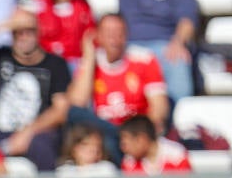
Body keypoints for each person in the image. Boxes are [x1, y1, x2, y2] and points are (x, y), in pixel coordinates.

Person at [66, 13, 168, 160]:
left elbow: (159, 108)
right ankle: (119, 134)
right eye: (108, 33)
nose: (114, 38)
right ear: (98, 36)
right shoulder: (91, 62)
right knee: (74, 113)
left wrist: (138, 136)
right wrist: (89, 57)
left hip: (136, 131)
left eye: (119, 33)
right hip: (104, 131)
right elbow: (78, 102)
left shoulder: (144, 59)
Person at [0, 11, 71, 170]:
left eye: (29, 31)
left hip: (37, 133)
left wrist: (27, 133)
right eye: (18, 32)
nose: (23, 36)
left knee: (42, 146)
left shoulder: (55, 64)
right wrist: (3, 26)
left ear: (39, 31)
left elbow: (61, 111)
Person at [100, 0, 197, 101]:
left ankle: (178, 116)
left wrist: (178, 42)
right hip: (127, 45)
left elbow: (187, 20)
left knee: (178, 64)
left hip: (166, 47)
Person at [117, 113, 194, 178]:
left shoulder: (176, 156)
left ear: (141, 139)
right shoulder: (129, 162)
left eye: (125, 143)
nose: (122, 148)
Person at [31, 0, 94, 67]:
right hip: (50, 60)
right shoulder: (44, 11)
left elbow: (89, 34)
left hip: (75, 60)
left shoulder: (82, 10)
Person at [53, 122, 119, 178]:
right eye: (86, 144)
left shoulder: (106, 168)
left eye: (97, 145)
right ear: (74, 148)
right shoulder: (64, 170)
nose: (93, 149)